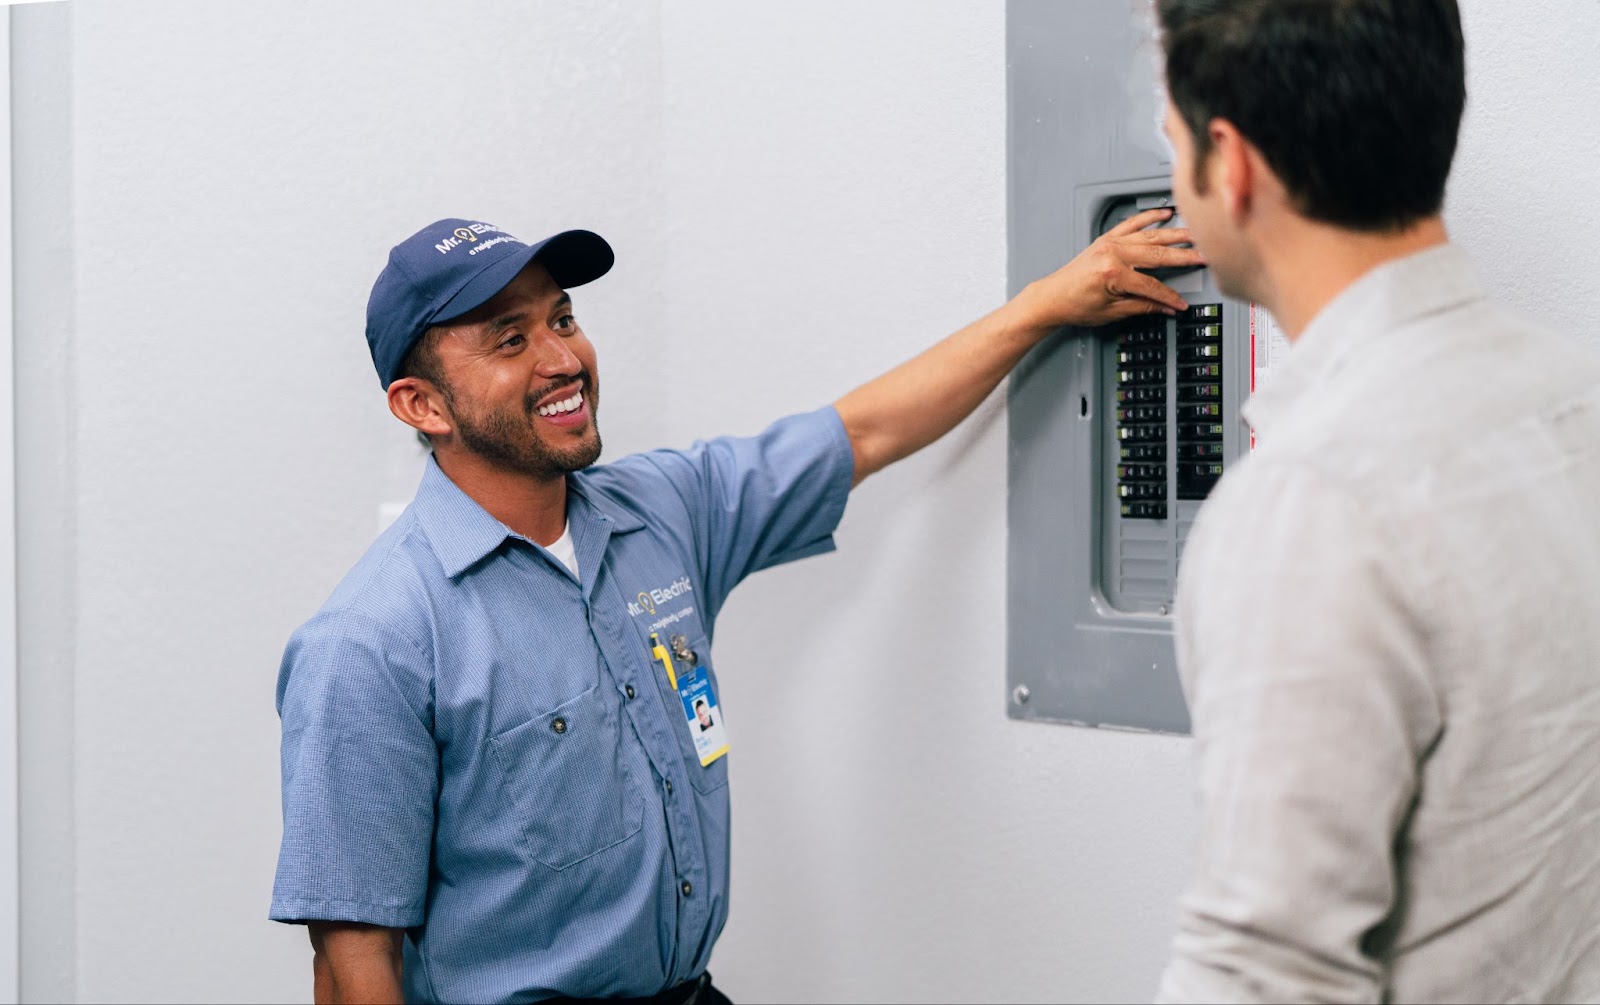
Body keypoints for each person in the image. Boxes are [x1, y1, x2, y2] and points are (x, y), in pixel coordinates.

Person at [271, 213, 1201, 1004]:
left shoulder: (661, 514)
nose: (564, 358)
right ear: (421, 404)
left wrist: (1049, 303)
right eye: (509, 338)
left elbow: (864, 430)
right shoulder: (373, 641)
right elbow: (354, 957)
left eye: (563, 317)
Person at [1151, 1, 1600, 1001]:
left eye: (1172, 143)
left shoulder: (1315, 502)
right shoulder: (1572, 400)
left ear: (1229, 165)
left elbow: (1260, 973)